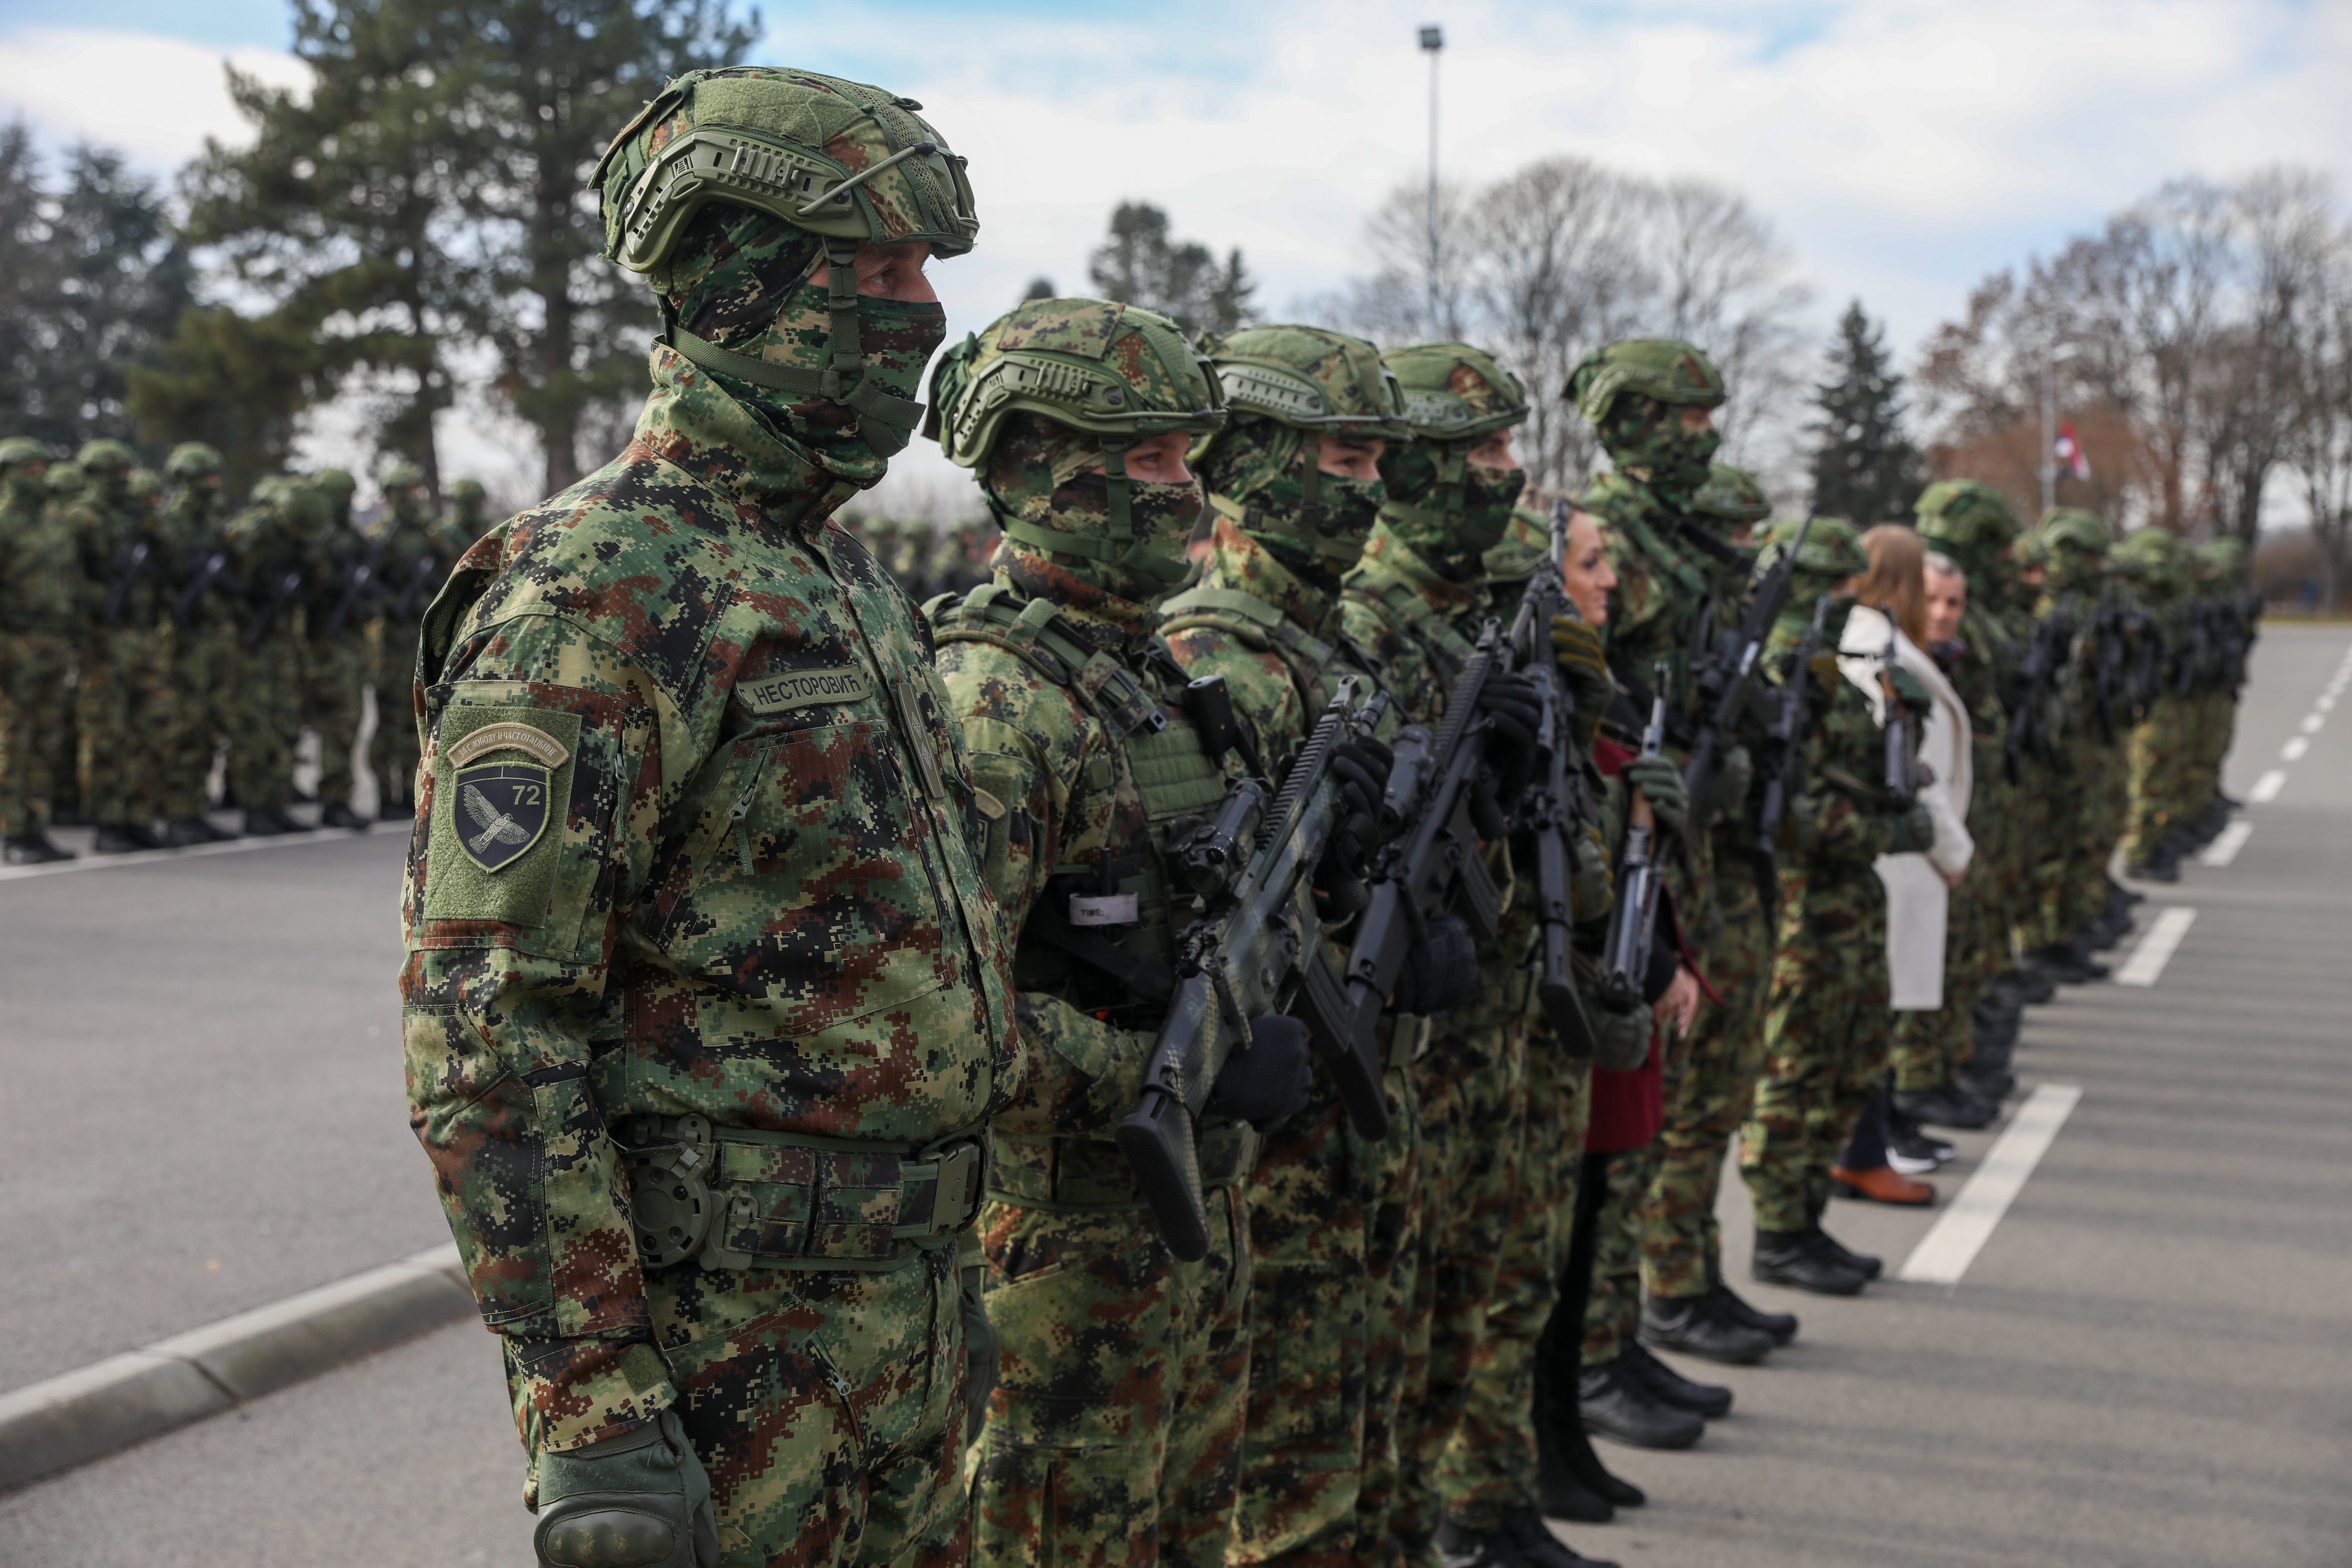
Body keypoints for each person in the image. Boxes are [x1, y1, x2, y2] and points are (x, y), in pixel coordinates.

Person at [400, 66, 1015, 1568]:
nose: (922, 312)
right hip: (734, 1371)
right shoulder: (595, 592)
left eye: (926, 270)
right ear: (738, 276)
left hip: (903, 1337)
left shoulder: (844, 585)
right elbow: (490, 1026)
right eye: (876, 268)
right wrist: (591, 1403)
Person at [925, 295, 1298, 1568]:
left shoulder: (1151, 677)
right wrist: (1159, 1072)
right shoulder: (994, 701)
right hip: (1060, 1251)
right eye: (1148, 459)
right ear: (1040, 463)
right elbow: (946, 1017)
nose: (1184, 491)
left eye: (1186, 460)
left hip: (1187, 1217)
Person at [1157, 323, 1426, 1567]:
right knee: (1287, 1477)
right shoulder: (1221, 655)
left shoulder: (1324, 644)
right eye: (1343, 455)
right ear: (1256, 461)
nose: (1364, 489)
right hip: (1276, 1141)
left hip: (1345, 1106)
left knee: (1363, 1409)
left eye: (1375, 462)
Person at [1737, 516, 1937, 1296]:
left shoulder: (1830, 674)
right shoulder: (1781, 679)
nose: (1835, 601)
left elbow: (1863, 774)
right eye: (1822, 585)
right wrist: (1896, 824)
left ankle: (1805, 1219)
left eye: (1840, 585)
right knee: (1794, 1073)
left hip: (1848, 902)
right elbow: (1795, 814)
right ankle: (1779, 1231)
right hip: (1803, 907)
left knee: (1847, 1067)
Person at [1832, 524, 1973, 1206]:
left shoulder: (1889, 643)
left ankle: (1876, 1141)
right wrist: (1954, 850)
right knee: (1873, 1011)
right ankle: (1864, 1152)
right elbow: (1913, 770)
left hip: (1909, 854)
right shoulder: (1879, 648)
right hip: (1905, 854)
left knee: (1881, 1008)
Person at [68, 439, 176, 852]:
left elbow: (170, 566)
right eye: (117, 474)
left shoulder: (138, 518)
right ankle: (109, 821)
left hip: (144, 633)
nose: (125, 481)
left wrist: (157, 529)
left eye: (128, 473)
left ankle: (139, 814)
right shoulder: (81, 518)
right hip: (103, 636)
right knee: (106, 732)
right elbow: (67, 577)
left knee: (153, 724)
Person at [156, 442, 240, 847]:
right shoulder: (171, 524)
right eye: (207, 478)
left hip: (212, 635)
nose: (214, 485)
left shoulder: (211, 523)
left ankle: (195, 808)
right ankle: (178, 811)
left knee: (208, 723)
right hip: (185, 638)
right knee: (184, 726)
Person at [0, 439, 80, 864]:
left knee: (46, 739)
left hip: (54, 641)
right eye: (27, 470)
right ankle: (12, 832)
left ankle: (37, 825)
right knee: (14, 741)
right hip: (15, 641)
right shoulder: (4, 523)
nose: (37, 477)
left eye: (40, 468)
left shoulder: (55, 524)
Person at [298, 469, 373, 830]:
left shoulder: (352, 539)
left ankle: (336, 798)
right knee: (324, 721)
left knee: (345, 723)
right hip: (316, 644)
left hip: (346, 643)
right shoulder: (312, 540)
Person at [370, 461, 441, 821]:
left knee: (421, 715)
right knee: (391, 718)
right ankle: (386, 792)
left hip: (424, 637)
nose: (417, 499)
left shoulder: (428, 534)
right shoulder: (381, 537)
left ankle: (413, 790)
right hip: (392, 640)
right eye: (410, 493)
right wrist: (392, 604)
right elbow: (366, 586)